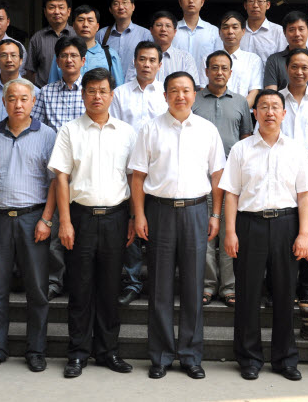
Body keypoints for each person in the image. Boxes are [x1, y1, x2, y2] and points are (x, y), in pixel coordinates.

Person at [129, 72, 226, 380]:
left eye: (186, 90)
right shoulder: (150, 129)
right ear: (165, 95)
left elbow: (217, 176)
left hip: (196, 211)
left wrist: (216, 215)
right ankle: (160, 355)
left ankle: (190, 355)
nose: (180, 96)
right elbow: (138, 177)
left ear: (195, 95)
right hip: (159, 212)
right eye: (174, 90)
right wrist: (139, 215)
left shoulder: (207, 130)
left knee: (194, 286)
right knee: (159, 286)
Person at [48, 68, 137, 378]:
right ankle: (77, 353)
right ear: (83, 95)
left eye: (103, 91)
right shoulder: (69, 131)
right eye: (91, 91)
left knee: (110, 289)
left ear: (112, 95)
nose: (97, 96)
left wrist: (133, 217)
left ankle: (108, 351)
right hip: (81, 218)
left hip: (116, 217)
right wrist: (65, 222)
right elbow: (61, 178)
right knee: (80, 288)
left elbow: (133, 178)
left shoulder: (127, 132)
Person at [220, 89, 308, 381]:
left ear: (284, 114)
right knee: (247, 294)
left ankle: (285, 359)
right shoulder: (241, 149)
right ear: (255, 113)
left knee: (285, 294)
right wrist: (230, 232)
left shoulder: (296, 150)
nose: (270, 112)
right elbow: (231, 194)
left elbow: (305, 195)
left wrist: (304, 234)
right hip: (250, 225)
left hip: (286, 225)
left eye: (275, 107)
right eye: (264, 107)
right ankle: (249, 358)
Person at [0, 78, 57, 373]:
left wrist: (46, 219)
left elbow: (56, 182)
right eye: (12, 99)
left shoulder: (47, 135)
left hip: (34, 219)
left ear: (33, 102)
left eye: (24, 99)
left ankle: (36, 350)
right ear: (4, 102)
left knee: (37, 290)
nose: (18, 104)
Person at [109, 41, 169, 306]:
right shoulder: (120, 94)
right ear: (133, 62)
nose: (146, 64)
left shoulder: (166, 94)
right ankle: (133, 281)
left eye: (152, 60)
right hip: (128, 170)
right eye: (142, 59)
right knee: (131, 225)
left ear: (160, 64)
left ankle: (157, 283)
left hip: (159, 171)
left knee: (157, 228)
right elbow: (113, 129)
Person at [193, 50, 254, 307]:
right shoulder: (194, 99)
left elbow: (246, 140)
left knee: (230, 232)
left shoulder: (240, 102)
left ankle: (229, 286)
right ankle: (208, 285)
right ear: (206, 71)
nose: (219, 72)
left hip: (231, 180)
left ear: (230, 72)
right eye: (214, 67)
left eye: (224, 68)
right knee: (206, 235)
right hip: (201, 178)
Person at [32, 36, 87, 301]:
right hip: (55, 171)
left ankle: (79, 281)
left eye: (74, 55)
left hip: (85, 169)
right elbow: (36, 127)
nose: (69, 60)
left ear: (83, 60)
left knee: (82, 228)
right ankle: (55, 280)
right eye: (64, 55)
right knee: (55, 228)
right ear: (57, 61)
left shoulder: (90, 91)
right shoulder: (45, 92)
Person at [49, 4, 124, 86]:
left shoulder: (110, 55)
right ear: (73, 26)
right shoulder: (62, 53)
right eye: (81, 20)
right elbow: (52, 86)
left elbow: (119, 89)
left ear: (97, 26)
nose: (85, 25)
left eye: (90, 20)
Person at [263, 12, 308, 95]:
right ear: (284, 32)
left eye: (301, 29)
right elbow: (271, 96)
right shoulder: (274, 60)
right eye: (292, 30)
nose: (297, 34)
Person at [124, 10, 199, 83]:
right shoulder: (140, 57)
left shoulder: (185, 58)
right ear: (151, 30)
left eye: (168, 26)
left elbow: (191, 86)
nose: (163, 29)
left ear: (174, 32)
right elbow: (130, 84)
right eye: (159, 25)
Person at [173, 0, 221, 86]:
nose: (191, 0)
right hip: (176, 86)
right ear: (180, 2)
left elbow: (219, 61)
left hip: (205, 87)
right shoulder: (171, 30)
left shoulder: (213, 31)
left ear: (202, 2)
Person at [96, 0, 153, 74]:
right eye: (116, 4)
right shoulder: (101, 34)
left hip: (135, 82)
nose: (121, 7)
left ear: (133, 6)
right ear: (110, 9)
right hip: (109, 82)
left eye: (124, 2)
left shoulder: (145, 34)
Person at [25, 0, 74, 87]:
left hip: (72, 92)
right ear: (45, 12)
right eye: (52, 7)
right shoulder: (37, 38)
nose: (56, 12)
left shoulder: (77, 36)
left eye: (61, 7)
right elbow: (30, 71)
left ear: (68, 12)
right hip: (42, 92)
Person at [217, 11, 263, 108]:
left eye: (235, 27)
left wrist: (238, 112)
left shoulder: (253, 60)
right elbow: (204, 89)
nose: (230, 31)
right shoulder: (208, 59)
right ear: (219, 32)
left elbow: (254, 92)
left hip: (244, 113)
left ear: (243, 31)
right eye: (225, 27)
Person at [239, 0, 285, 64]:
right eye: (251, 1)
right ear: (245, 5)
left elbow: (282, 63)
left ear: (268, 5)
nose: (255, 5)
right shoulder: (236, 31)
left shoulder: (278, 31)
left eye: (260, 1)